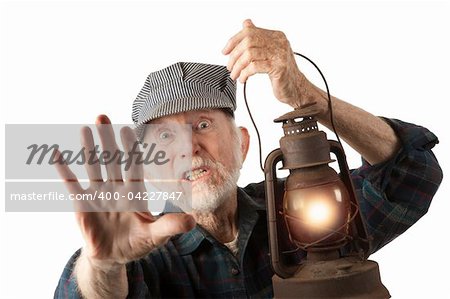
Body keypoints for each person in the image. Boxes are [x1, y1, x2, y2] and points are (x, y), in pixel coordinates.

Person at [54, 19, 443, 298]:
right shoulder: (141, 254)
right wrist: (103, 265)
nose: (188, 148)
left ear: (242, 143)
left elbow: (411, 174)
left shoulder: (305, 211)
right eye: (166, 136)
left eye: (202, 124)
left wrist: (307, 96)